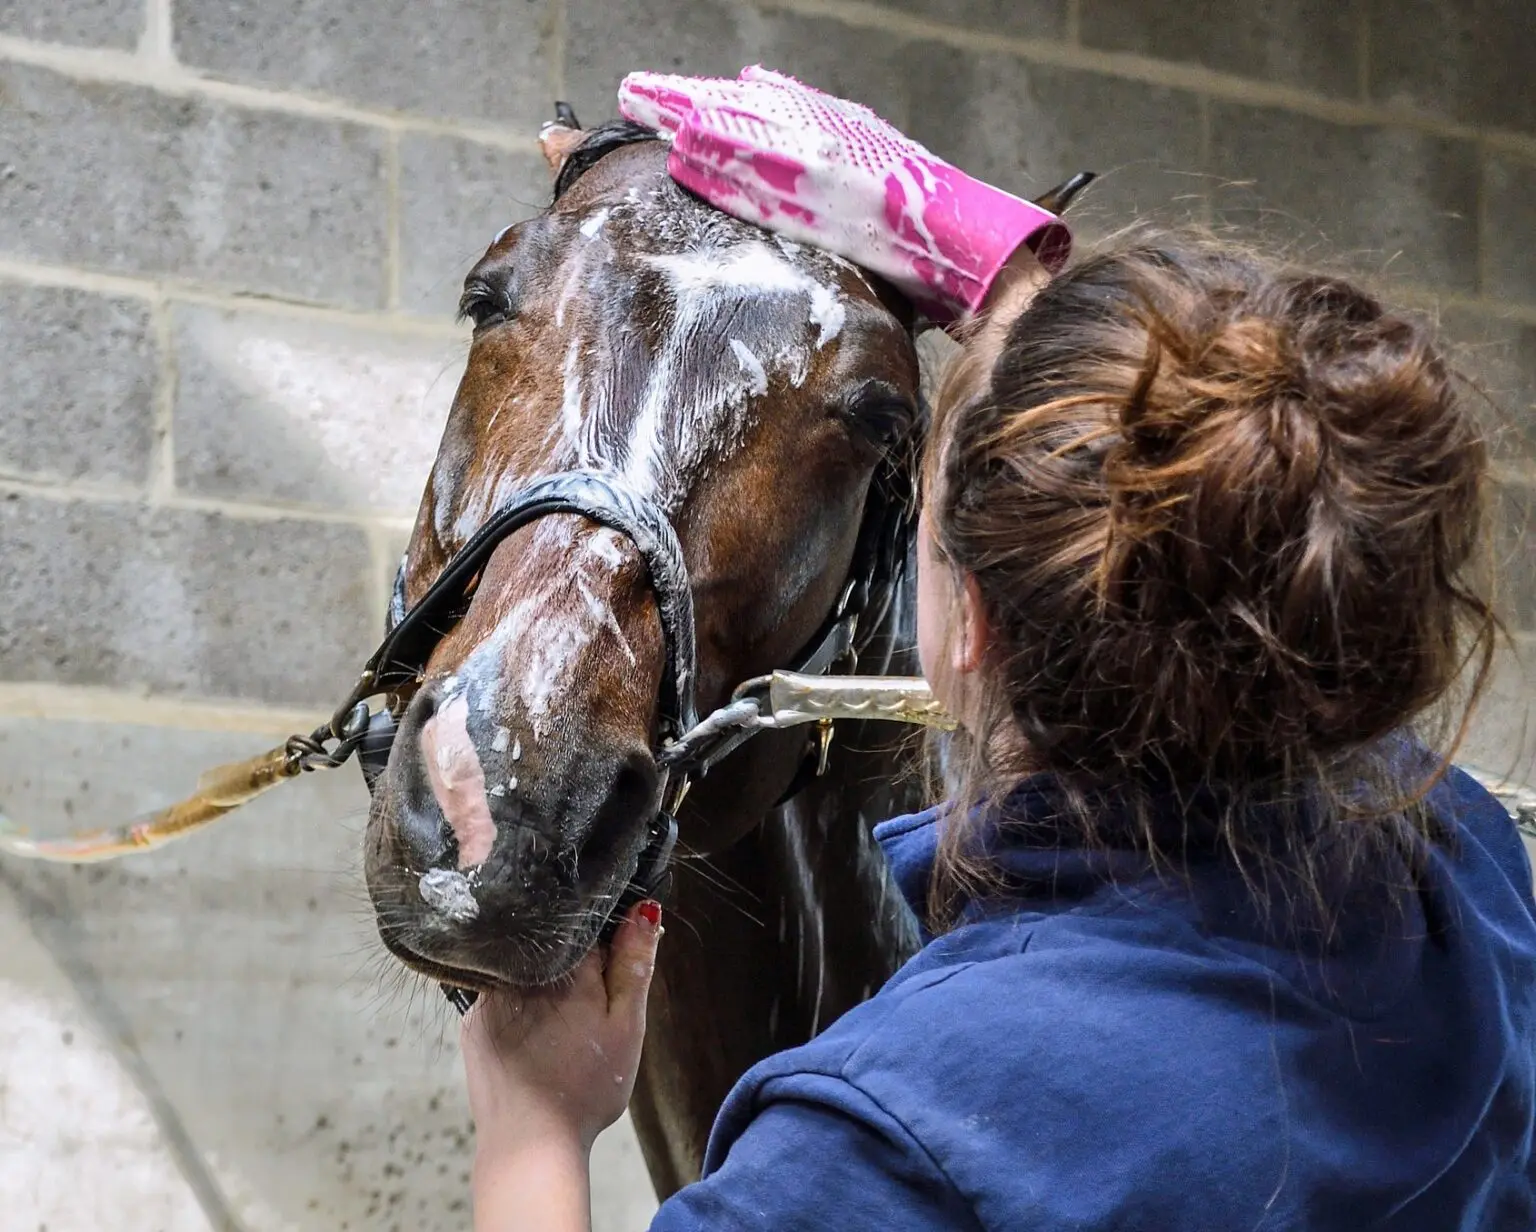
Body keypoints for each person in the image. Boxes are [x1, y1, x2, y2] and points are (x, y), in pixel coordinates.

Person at [459, 68, 1536, 1230]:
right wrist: (1018, 282)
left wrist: (535, 1126)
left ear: (968, 620)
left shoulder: (891, 1144)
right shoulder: (1460, 865)